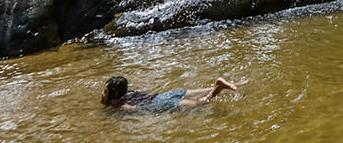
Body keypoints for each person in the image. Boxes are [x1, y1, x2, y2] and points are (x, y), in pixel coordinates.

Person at [101, 75, 241, 111]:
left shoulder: (119, 105)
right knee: (204, 89)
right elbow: (145, 91)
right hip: (162, 95)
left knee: (200, 104)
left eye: (105, 91)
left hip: (161, 102)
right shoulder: (129, 93)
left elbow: (137, 110)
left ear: (113, 95)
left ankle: (220, 86)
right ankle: (237, 84)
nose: (103, 94)